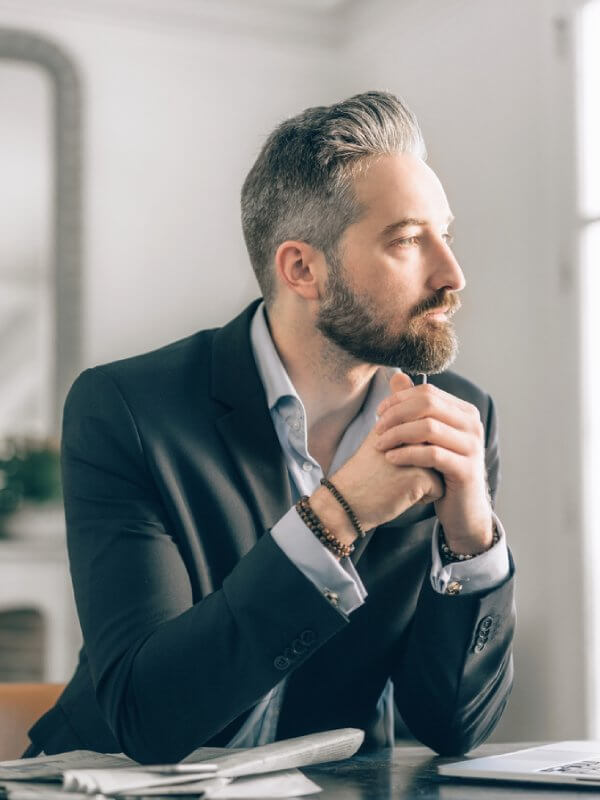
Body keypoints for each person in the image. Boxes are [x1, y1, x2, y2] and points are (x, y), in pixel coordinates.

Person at [26, 91, 515, 763]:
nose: (452, 274)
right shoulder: (126, 410)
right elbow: (147, 716)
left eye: (446, 235)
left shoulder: (459, 418)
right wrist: (337, 515)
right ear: (302, 269)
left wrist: (471, 540)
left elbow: (452, 726)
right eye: (407, 240)